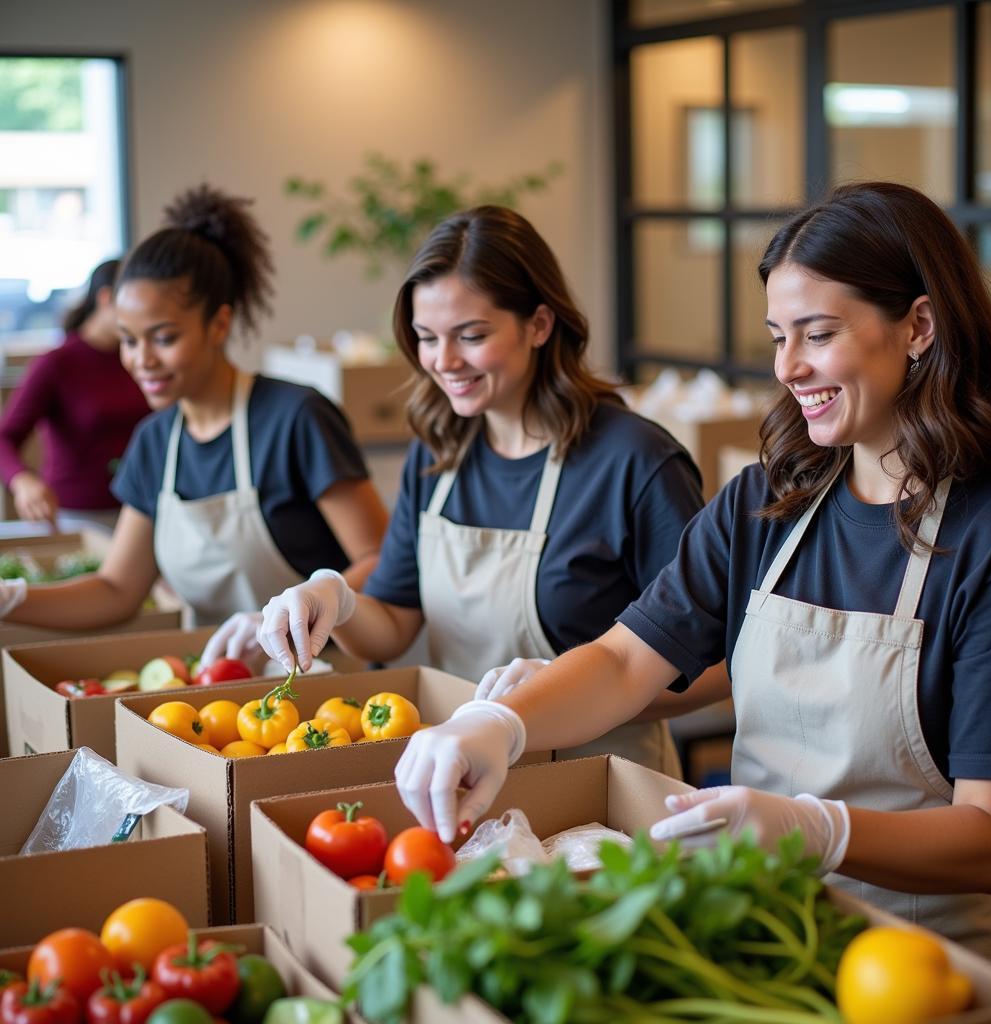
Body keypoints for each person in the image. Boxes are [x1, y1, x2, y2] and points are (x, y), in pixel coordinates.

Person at [385, 182, 991, 972]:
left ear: (919, 325)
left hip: (923, 964)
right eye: (777, 336)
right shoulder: (766, 502)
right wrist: (501, 726)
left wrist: (821, 830)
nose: (789, 367)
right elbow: (625, 661)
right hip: (754, 931)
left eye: (817, 334)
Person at [257, 205, 725, 774]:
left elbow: (718, 668)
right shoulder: (438, 452)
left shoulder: (633, 460)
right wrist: (337, 600)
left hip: (602, 786)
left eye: (471, 336)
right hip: (457, 777)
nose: (444, 361)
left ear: (539, 325)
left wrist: (554, 698)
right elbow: (393, 627)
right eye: (427, 338)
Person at [0, 184, 389, 663]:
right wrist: (11, 598)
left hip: (329, 683)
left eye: (163, 338)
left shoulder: (296, 418)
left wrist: (306, 606)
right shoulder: (155, 442)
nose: (142, 360)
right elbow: (116, 589)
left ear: (219, 325)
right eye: (128, 339)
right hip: (217, 694)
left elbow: (380, 562)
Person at [0, 259, 150, 531]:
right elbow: (4, 437)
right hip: (77, 516)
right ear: (106, 298)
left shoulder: (142, 359)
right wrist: (23, 481)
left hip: (142, 510)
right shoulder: (57, 363)